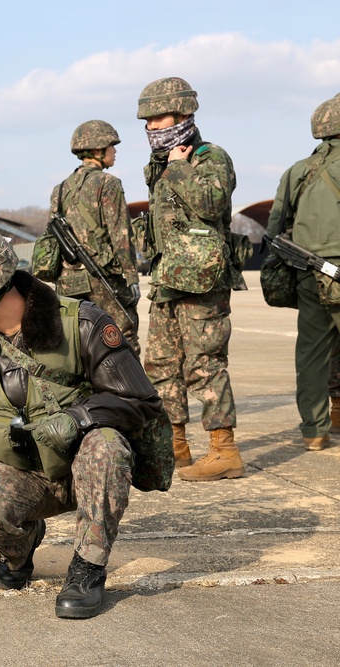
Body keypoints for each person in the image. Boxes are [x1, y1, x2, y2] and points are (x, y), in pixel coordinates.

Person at [0, 224, 164, 619]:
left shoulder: (82, 325)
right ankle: (21, 550)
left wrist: (80, 417)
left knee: (105, 446)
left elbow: (141, 400)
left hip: (86, 467)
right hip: (24, 473)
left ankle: (87, 568)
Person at [137, 77, 247, 481]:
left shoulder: (209, 156)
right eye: (146, 120)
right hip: (168, 277)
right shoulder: (158, 164)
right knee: (162, 365)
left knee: (205, 362)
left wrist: (180, 168)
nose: (151, 126)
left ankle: (224, 450)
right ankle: (174, 444)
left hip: (202, 280)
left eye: (158, 117)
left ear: (183, 113)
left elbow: (211, 203)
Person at [265, 93, 340, 451]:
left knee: (311, 352)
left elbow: (275, 230)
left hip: (311, 272)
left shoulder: (298, 170)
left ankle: (314, 431)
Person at [43, 120, 140, 354]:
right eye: (111, 146)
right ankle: (128, 391)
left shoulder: (60, 189)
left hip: (67, 281)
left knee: (78, 345)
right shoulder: (108, 183)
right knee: (121, 339)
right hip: (102, 279)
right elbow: (121, 234)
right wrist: (131, 275)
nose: (115, 151)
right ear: (97, 151)